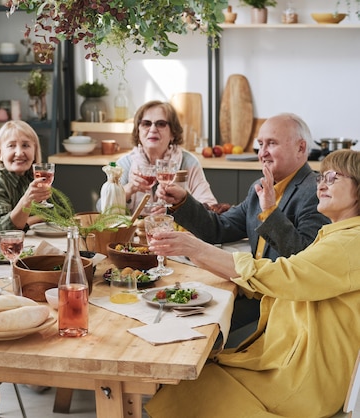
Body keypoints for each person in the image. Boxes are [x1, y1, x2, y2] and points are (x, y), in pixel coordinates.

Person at [145, 149, 360, 417]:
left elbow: (288, 274)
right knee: (191, 377)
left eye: (334, 177)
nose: (323, 183)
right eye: (322, 177)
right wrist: (201, 252)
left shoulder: (349, 242)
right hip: (291, 357)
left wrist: (200, 250)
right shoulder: (335, 234)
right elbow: (222, 228)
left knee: (191, 384)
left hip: (303, 375)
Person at [156, 113, 330, 339]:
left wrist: (269, 212)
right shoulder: (260, 187)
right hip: (245, 289)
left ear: (301, 148)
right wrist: (182, 201)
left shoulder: (315, 192)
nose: (263, 152)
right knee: (172, 316)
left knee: (196, 333)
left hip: (277, 304)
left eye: (272, 143)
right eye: (260, 144)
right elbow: (218, 228)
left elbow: (303, 257)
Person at [102, 100, 217, 215]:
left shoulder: (188, 162)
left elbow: (211, 208)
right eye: (146, 123)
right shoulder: (124, 164)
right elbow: (102, 210)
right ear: (138, 131)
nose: (152, 129)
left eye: (161, 124)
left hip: (175, 231)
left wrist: (177, 209)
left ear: (173, 133)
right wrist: (129, 189)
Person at [0, 120, 54, 230]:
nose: (19, 153)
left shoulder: (31, 175)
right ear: (0, 153)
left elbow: (54, 213)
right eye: (11, 146)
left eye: (25, 145)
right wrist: (27, 200)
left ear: (35, 150)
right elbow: (2, 229)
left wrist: (27, 221)